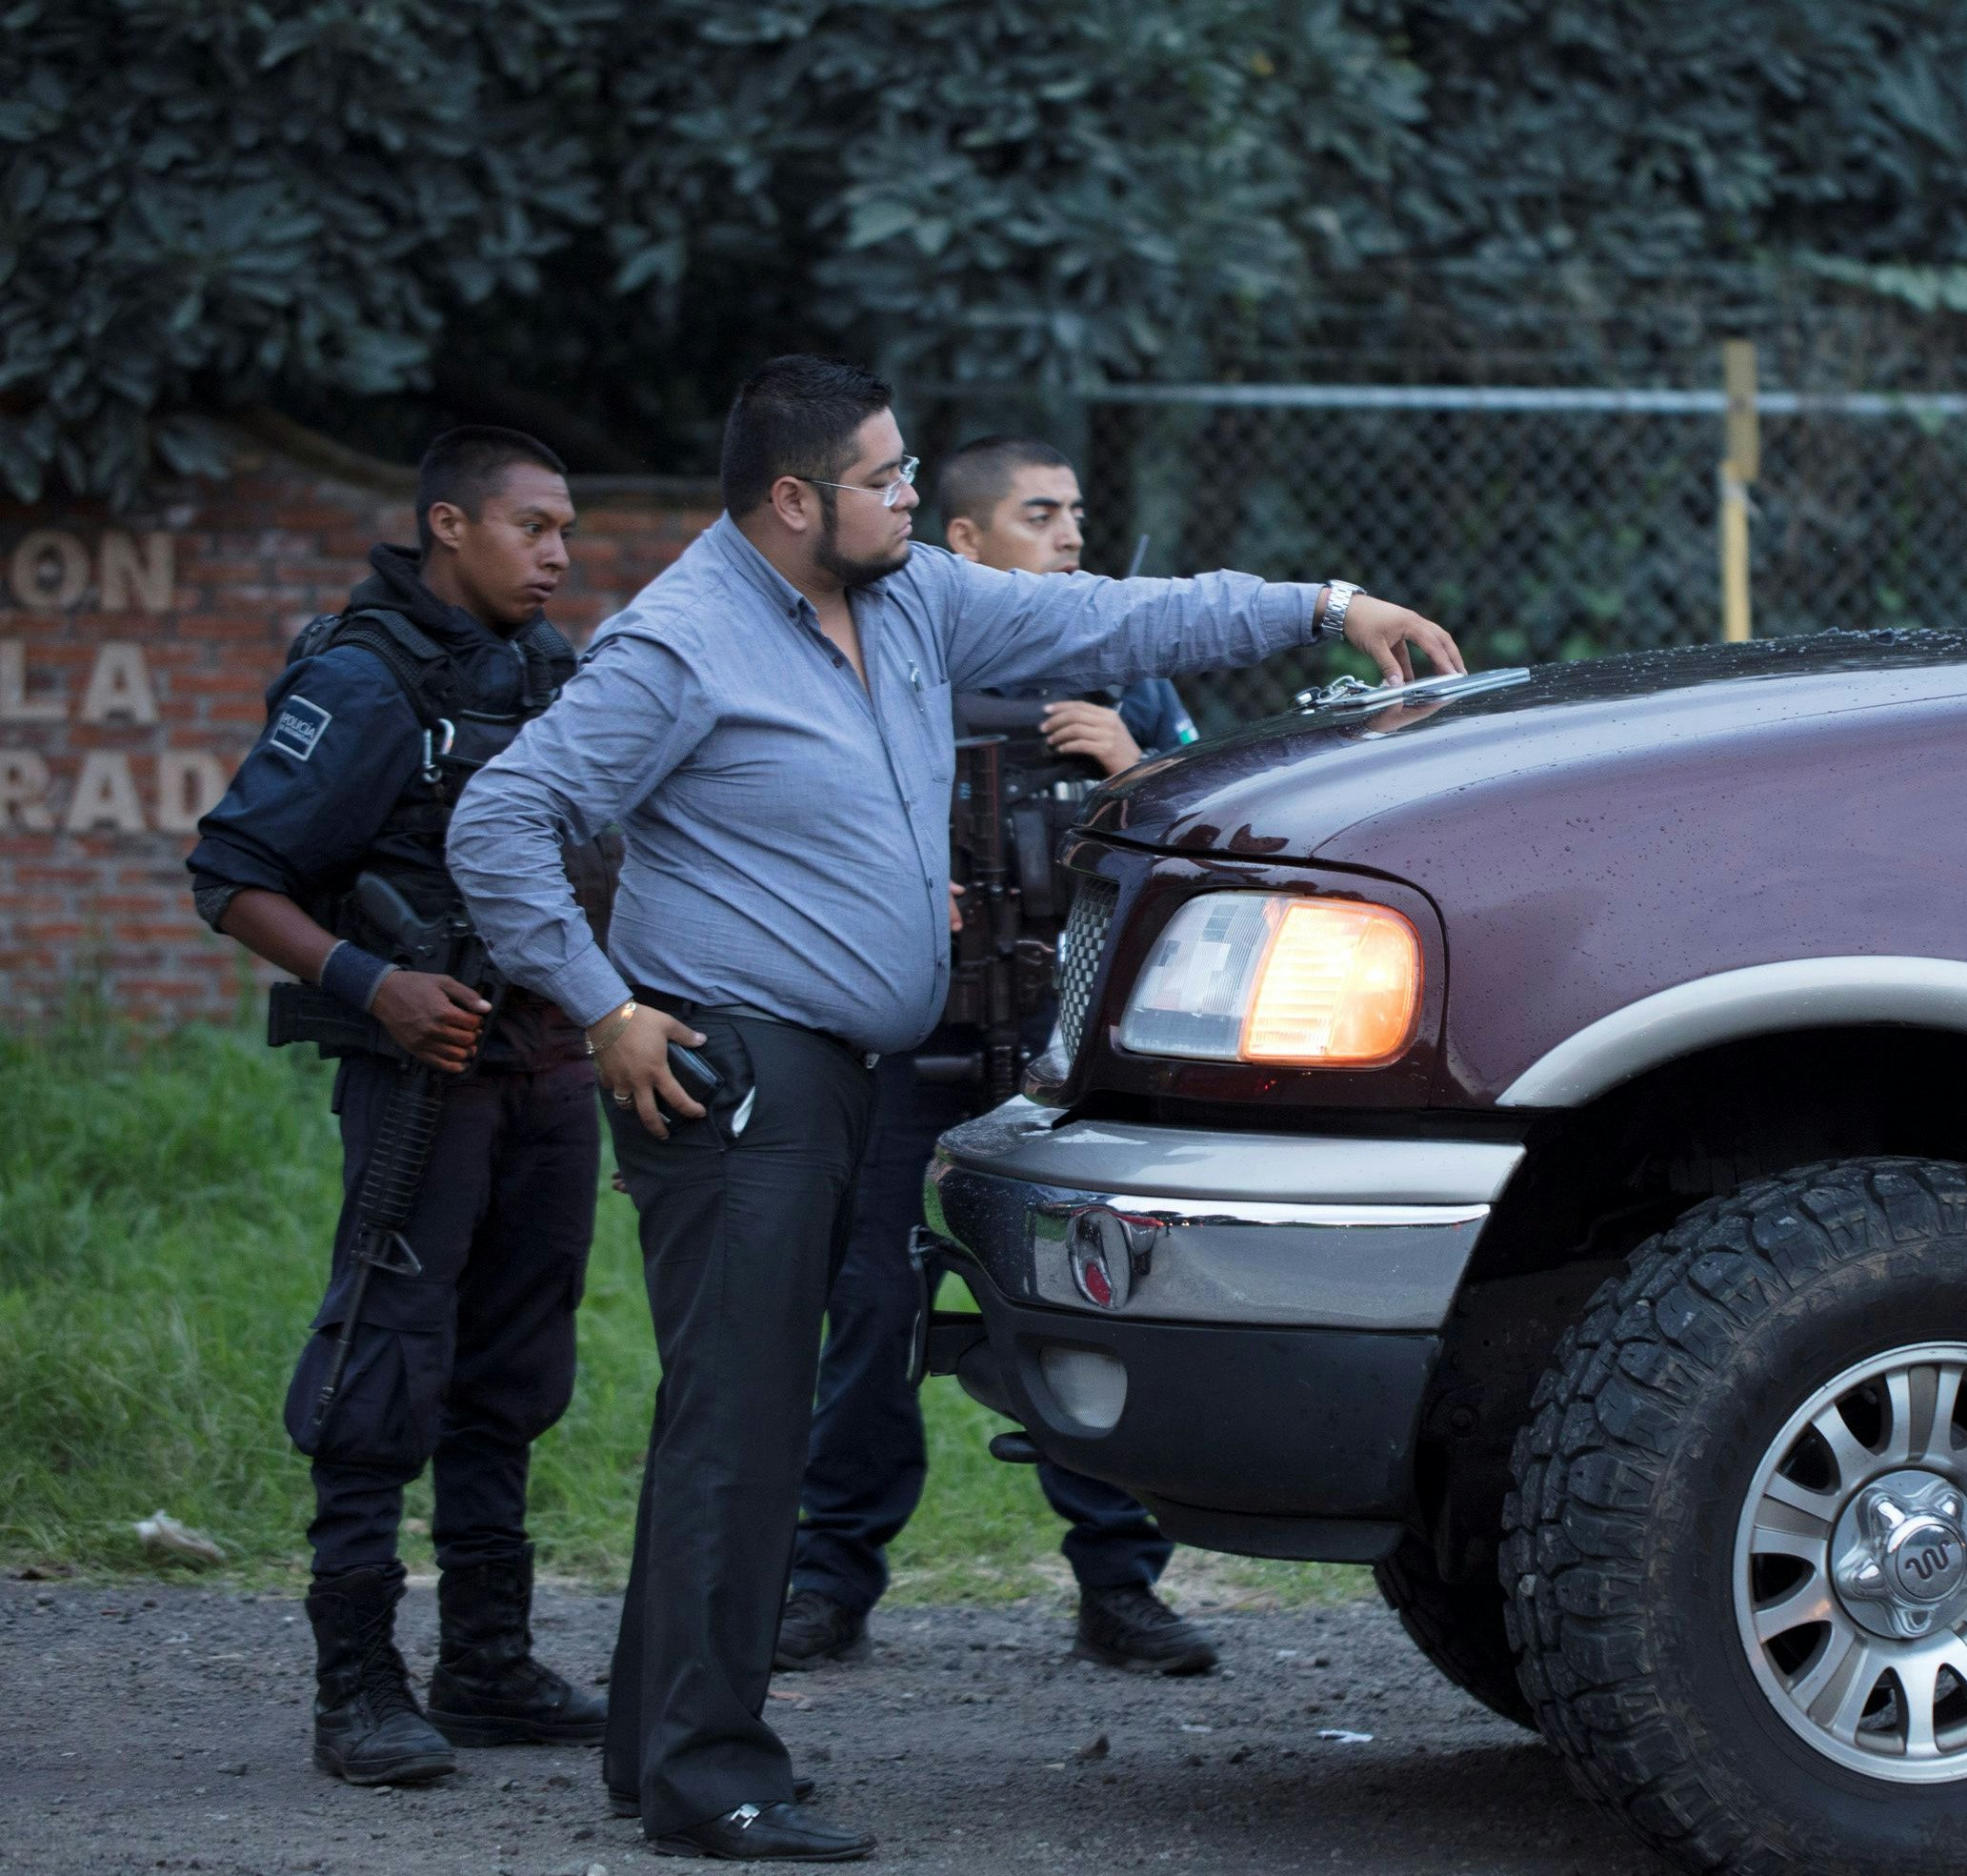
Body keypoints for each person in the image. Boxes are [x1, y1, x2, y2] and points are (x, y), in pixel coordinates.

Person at [446, 355, 1461, 1864]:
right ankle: (711, 1774)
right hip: (736, 1066)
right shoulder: (681, 640)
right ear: (796, 500)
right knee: (741, 1423)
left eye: (914, 475)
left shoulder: (909, 597)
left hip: (829, 1072)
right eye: (888, 479)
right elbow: (502, 819)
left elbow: (1118, 615)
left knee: (727, 1412)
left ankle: (652, 1745)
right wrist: (604, 1008)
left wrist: (1325, 604)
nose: (915, 500)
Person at [184, 427, 612, 1786]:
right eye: (531, 527)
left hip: (546, 1064)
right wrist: (375, 988)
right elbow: (231, 872)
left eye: (563, 530)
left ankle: (484, 1660)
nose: (559, 554)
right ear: (447, 526)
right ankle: (355, 1683)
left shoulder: (553, 672)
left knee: (518, 1361)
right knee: (384, 1353)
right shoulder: (368, 679)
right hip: (421, 1072)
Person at [775, 435, 1214, 1679]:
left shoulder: (1127, 679)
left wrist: (1138, 768)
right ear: (963, 546)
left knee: (1087, 1318)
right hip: (907, 1061)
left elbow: (1217, 848)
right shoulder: (883, 669)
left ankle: (1119, 1589)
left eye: (1078, 512)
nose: (1072, 534)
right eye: (1039, 514)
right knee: (867, 1321)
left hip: (1063, 1073)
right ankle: (829, 1582)